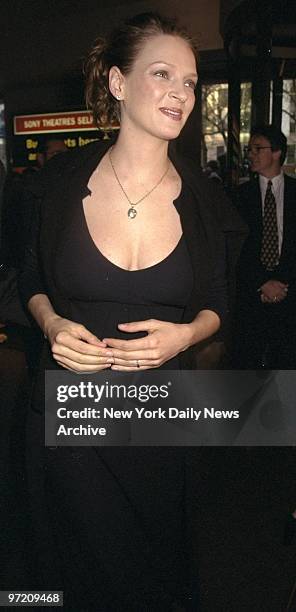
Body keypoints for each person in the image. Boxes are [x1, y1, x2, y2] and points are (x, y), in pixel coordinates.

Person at [19, 12, 244, 611]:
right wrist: (51, 323)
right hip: (75, 417)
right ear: (118, 84)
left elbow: (221, 302)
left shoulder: (206, 200)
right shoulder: (59, 181)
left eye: (192, 82)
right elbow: (32, 280)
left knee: (158, 573)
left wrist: (185, 336)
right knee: (82, 572)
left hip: (161, 421)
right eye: (163, 74)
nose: (181, 94)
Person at [234, 124, 296, 369]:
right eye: (250, 149)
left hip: (290, 294)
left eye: (257, 148)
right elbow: (237, 248)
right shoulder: (238, 195)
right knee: (247, 369)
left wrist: (282, 284)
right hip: (252, 294)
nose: (251, 154)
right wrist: (262, 282)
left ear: (277, 152)